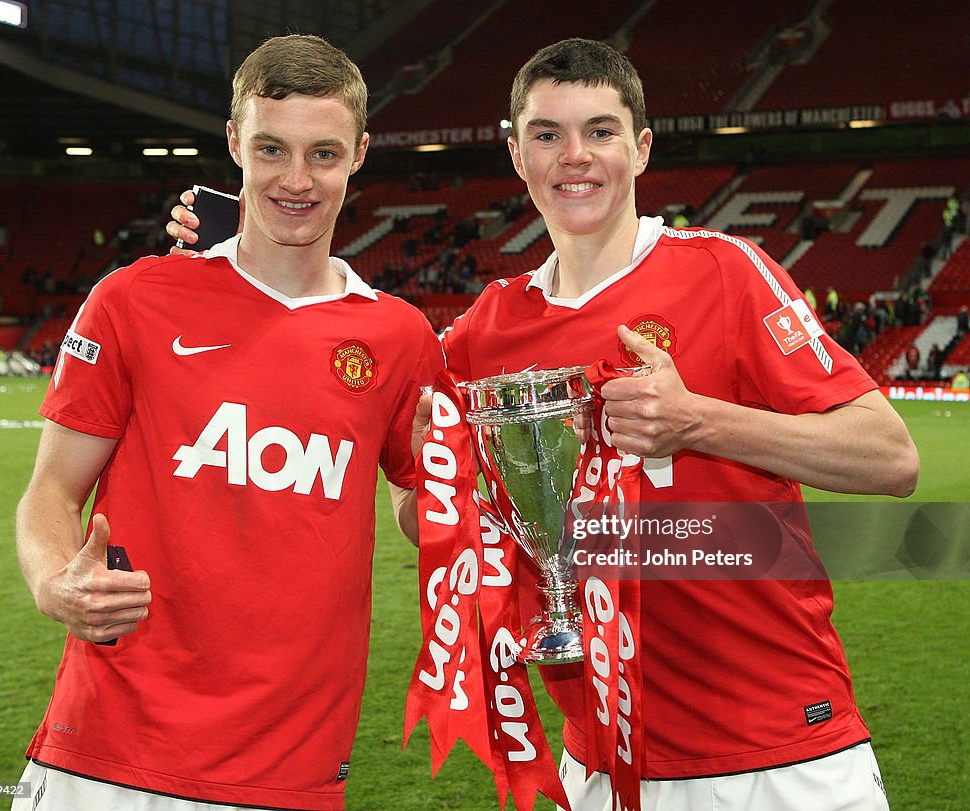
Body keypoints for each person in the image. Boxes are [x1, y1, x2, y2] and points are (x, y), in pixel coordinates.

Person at [169, 38, 919, 811]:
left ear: (642, 148)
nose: (576, 158)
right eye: (547, 134)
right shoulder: (484, 334)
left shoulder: (724, 273)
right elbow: (416, 503)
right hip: (598, 763)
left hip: (780, 752)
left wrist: (699, 421)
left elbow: (889, 457)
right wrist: (240, 262)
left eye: (600, 131)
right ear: (517, 153)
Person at [14, 34, 440, 811]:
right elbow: (49, 489)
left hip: (291, 765)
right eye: (272, 148)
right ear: (234, 142)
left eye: (324, 153)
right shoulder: (133, 300)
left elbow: (423, 506)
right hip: (112, 752)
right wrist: (54, 582)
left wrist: (500, 501)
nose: (297, 180)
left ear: (361, 154)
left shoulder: (400, 336)